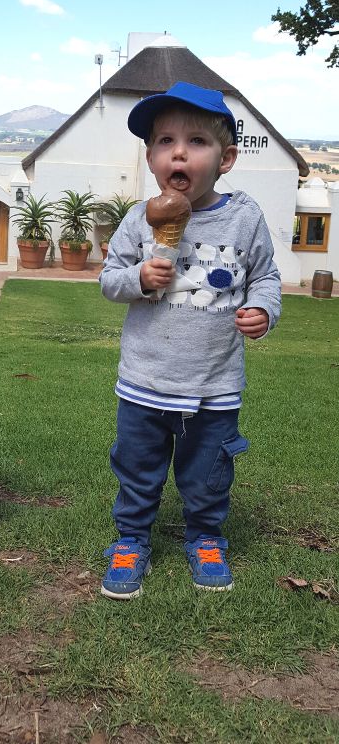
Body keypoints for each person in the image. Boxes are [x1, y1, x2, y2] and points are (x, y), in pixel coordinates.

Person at [100, 81, 281, 598]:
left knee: (207, 474)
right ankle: (131, 539)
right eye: (164, 141)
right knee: (137, 468)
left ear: (225, 159)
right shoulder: (139, 219)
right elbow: (109, 279)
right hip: (146, 379)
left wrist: (264, 309)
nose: (179, 151)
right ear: (152, 158)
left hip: (214, 383)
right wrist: (138, 278)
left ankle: (205, 537)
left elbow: (265, 276)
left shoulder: (244, 218)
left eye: (196, 142)